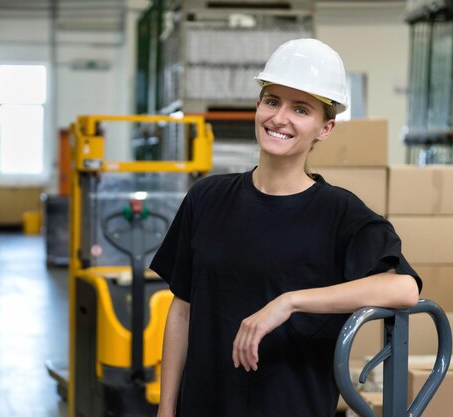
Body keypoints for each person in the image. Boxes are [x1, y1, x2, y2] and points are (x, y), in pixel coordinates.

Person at [149, 38, 421, 417]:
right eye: (272, 101)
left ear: (324, 129)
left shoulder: (339, 212)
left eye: (300, 109)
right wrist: (166, 408)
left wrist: (289, 302)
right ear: (258, 106)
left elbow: (403, 288)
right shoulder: (206, 198)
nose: (279, 118)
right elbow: (182, 310)